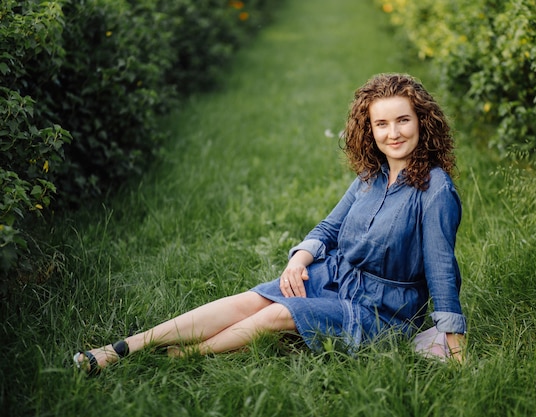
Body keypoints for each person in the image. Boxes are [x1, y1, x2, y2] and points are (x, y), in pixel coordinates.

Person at [73, 73, 466, 375]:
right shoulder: (370, 176)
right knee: (252, 300)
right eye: (382, 124)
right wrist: (299, 259)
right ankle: (124, 348)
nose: (393, 133)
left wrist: (454, 342)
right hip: (335, 276)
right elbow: (328, 229)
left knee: (279, 314)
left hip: (384, 312)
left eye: (403, 121)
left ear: (422, 122)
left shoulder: (435, 190)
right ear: (370, 130)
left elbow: (441, 268)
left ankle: (186, 355)